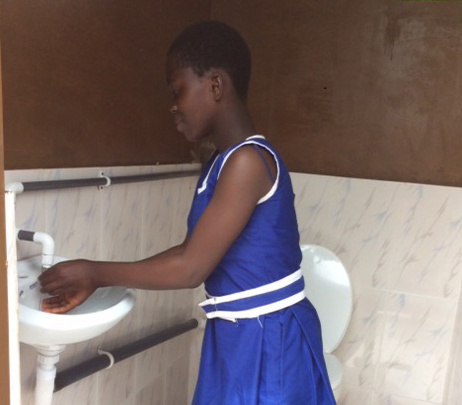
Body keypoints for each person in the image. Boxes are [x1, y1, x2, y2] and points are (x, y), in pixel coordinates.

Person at [39, 20, 336, 405]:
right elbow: (191, 252)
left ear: (215, 85)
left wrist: (96, 272)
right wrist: (98, 275)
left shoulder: (247, 160)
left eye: (177, 90)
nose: (173, 106)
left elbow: (191, 268)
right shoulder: (221, 162)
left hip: (269, 339)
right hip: (241, 334)